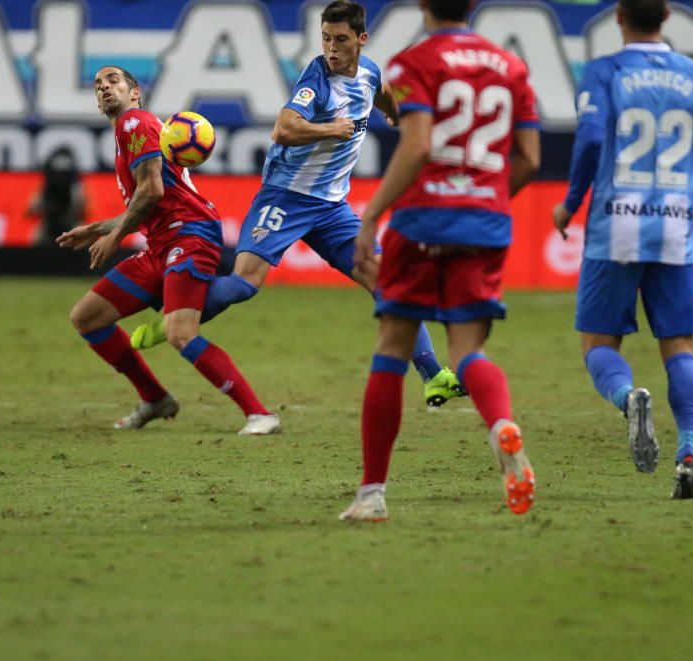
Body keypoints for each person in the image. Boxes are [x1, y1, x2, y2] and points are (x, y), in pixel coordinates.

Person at [130, 0, 466, 408]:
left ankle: (435, 377)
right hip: (285, 197)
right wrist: (330, 129)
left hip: (331, 207)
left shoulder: (370, 71)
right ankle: (176, 318)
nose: (331, 48)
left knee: (389, 283)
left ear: (361, 39)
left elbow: (380, 93)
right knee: (242, 285)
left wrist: (398, 115)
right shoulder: (317, 78)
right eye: (325, 38)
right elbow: (283, 129)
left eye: (340, 39)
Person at [339, 0, 541, 521]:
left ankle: (372, 495)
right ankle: (500, 426)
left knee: (393, 346)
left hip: (422, 221)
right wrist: (485, 201)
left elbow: (419, 143)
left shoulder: (411, 63)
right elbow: (530, 159)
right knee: (469, 349)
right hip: (486, 223)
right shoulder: (512, 66)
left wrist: (372, 216)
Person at [551, 0, 693, 499]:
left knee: (598, 344)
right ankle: (690, 452)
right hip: (674, 223)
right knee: (679, 347)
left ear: (618, 18)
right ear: (666, 18)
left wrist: (570, 203)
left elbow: (591, 138)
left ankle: (627, 397)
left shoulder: (605, 70)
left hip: (616, 223)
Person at [57, 65, 281, 436]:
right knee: (88, 316)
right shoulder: (126, 133)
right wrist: (98, 228)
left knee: (181, 332)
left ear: (135, 92)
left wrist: (113, 239)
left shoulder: (135, 123)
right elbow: (146, 201)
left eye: (113, 80)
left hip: (188, 236)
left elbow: (152, 191)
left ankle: (260, 414)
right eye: (98, 85)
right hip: (162, 242)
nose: (104, 88)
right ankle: (155, 398)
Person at [27, 146, 87, 245]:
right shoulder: (46, 186)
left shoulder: (75, 185)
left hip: (70, 222)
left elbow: (82, 208)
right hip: (49, 224)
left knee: (84, 233)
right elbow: (31, 209)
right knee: (35, 236)